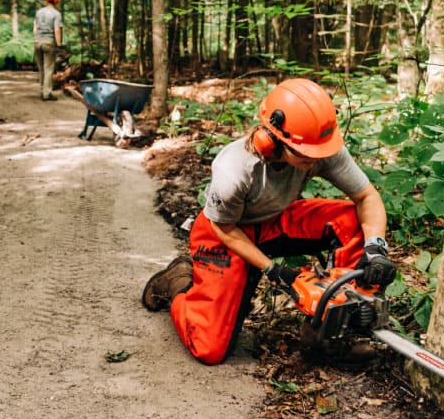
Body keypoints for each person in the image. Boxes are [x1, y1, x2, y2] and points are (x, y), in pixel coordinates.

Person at [141, 77, 396, 366]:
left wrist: (376, 248)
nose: (315, 162)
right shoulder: (234, 169)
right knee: (209, 348)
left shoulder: (318, 145)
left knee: (350, 220)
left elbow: (366, 197)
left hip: (276, 219)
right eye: (306, 157)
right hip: (224, 232)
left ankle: (328, 336)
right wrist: (275, 272)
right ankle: (178, 283)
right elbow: (223, 227)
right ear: (272, 140)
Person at [33, 0, 63, 101]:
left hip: (37, 41)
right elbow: (57, 30)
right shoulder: (56, 14)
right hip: (49, 42)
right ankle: (47, 93)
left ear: (46, 0)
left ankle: (42, 90)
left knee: (41, 68)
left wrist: (37, 39)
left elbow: (35, 29)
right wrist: (59, 45)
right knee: (49, 68)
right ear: (56, 1)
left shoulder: (39, 12)